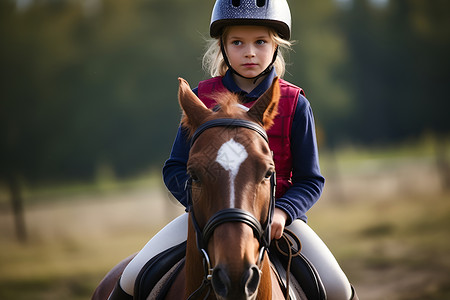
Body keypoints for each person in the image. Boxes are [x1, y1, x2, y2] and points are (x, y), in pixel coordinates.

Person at [109, 1, 358, 299]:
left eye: (260, 42)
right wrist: (204, 203)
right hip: (207, 217)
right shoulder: (201, 99)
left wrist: (283, 212)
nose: (249, 52)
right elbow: (175, 167)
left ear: (276, 46)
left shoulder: (295, 104)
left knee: (338, 289)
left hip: (277, 220)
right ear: (223, 47)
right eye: (237, 42)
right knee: (131, 278)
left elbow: (311, 180)